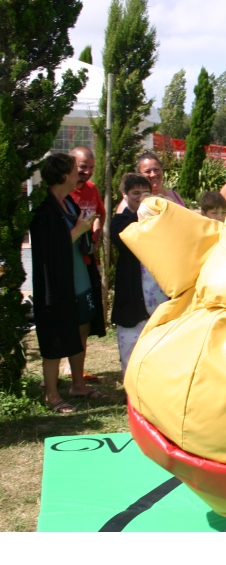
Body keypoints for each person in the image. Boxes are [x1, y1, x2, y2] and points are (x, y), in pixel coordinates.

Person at [29, 153, 107, 413]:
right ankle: (51, 395)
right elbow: (46, 250)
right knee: (54, 336)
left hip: (79, 278)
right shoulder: (44, 208)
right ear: (63, 176)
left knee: (81, 329)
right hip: (57, 284)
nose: (80, 175)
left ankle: (77, 384)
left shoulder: (68, 203)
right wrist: (78, 231)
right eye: (75, 170)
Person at [110, 174, 168, 375]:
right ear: (124, 195)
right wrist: (142, 215)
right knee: (130, 351)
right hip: (131, 301)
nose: (141, 197)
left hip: (158, 299)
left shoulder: (161, 221)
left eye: (146, 193)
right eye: (135, 193)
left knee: (159, 350)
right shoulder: (119, 222)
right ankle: (132, 396)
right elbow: (122, 239)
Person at [64, 146, 104, 381]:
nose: (87, 172)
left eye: (91, 168)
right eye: (82, 167)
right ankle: (59, 367)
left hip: (87, 260)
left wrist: (95, 239)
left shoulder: (91, 189)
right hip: (67, 264)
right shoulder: (64, 194)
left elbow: (100, 214)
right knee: (64, 317)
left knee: (84, 319)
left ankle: (74, 370)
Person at [116, 152, 185, 213]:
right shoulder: (132, 202)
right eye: (147, 171)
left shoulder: (175, 195)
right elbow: (121, 226)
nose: (153, 174)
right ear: (139, 174)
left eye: (156, 169)